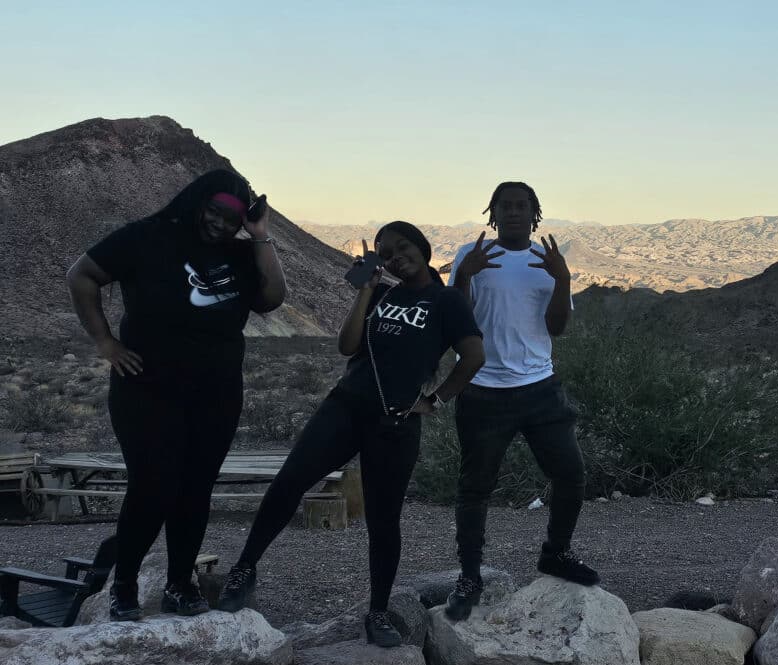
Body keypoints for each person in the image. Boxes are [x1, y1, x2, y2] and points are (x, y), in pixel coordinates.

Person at [219, 221, 484, 647]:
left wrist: (435, 401)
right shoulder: (380, 292)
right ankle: (244, 569)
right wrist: (366, 286)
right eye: (386, 252)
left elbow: (473, 356)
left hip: (396, 422)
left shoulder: (446, 300)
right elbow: (346, 346)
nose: (397, 257)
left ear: (422, 247)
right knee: (290, 482)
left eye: (403, 247)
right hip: (345, 406)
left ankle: (377, 611)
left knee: (383, 521)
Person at [66, 169, 287, 621]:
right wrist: (105, 342)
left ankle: (179, 583)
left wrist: (261, 235)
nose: (222, 224)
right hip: (147, 388)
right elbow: (82, 275)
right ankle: (123, 583)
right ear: (196, 202)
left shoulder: (242, 253)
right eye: (215, 212)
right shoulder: (146, 237)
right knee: (152, 487)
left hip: (217, 393)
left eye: (235, 218)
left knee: (195, 489)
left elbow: (273, 298)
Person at [444, 181, 598, 622]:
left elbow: (557, 328)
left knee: (570, 475)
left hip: (540, 388)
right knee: (475, 488)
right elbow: (457, 318)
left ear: (535, 213)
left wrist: (563, 278)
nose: (512, 211)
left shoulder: (545, 262)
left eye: (521, 205)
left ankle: (556, 553)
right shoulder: (469, 256)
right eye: (504, 205)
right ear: (491, 212)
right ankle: (469, 576)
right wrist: (465, 274)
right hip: (483, 389)